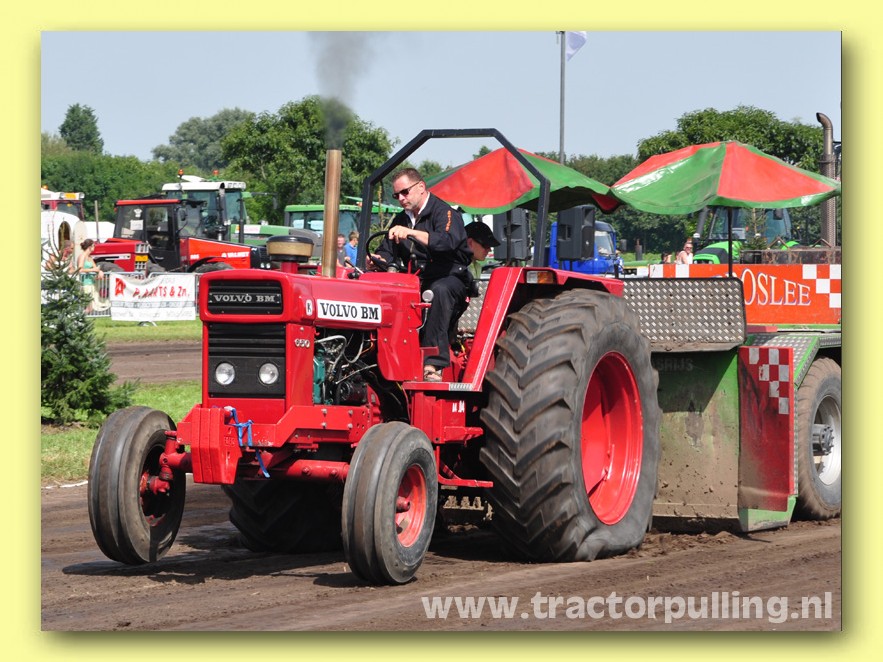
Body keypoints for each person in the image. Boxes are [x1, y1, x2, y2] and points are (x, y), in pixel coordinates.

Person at [372, 168, 472, 382]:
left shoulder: (445, 213)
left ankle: (433, 363)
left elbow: (446, 242)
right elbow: (387, 251)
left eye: (404, 192)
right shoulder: (401, 218)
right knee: (381, 289)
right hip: (414, 279)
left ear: (420, 187)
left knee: (438, 291)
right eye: (396, 195)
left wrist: (411, 232)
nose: (401, 198)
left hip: (449, 277)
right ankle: (378, 358)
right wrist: (377, 259)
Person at [77, 238, 109, 314]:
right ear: (90, 247)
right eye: (93, 245)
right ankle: (78, 317)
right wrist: (93, 270)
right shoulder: (82, 256)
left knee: (91, 307)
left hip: (91, 283)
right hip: (85, 283)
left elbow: (96, 268)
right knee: (89, 308)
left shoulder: (90, 257)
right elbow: (80, 269)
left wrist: (100, 271)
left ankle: (80, 317)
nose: (94, 247)